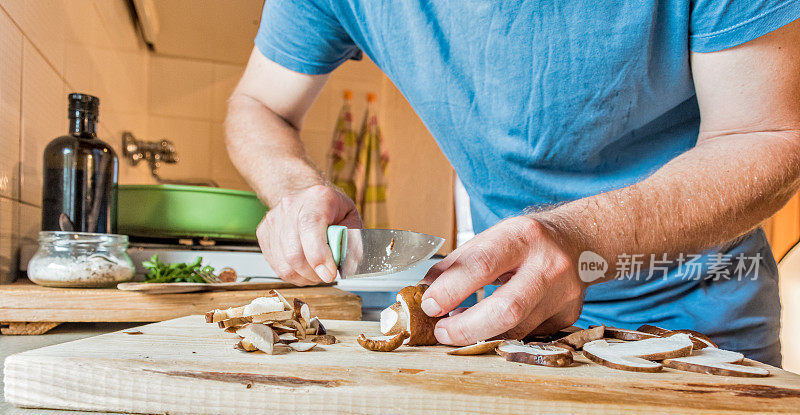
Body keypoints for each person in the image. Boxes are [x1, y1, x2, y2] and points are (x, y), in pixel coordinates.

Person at [226, 1, 800, 365]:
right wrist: (293, 188)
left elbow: (768, 136)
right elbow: (258, 105)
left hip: (692, 333)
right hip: (508, 332)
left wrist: (578, 237)